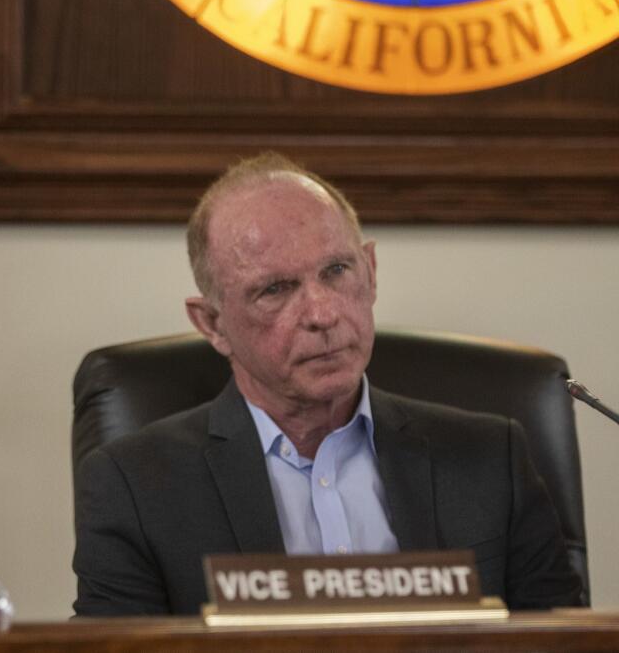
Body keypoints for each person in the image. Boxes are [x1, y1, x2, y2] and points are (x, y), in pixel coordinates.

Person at [72, 152, 583, 616]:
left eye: (337, 270)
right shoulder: (134, 486)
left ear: (372, 271)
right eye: (275, 289)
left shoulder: (492, 459)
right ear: (212, 323)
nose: (322, 313)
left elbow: (566, 646)